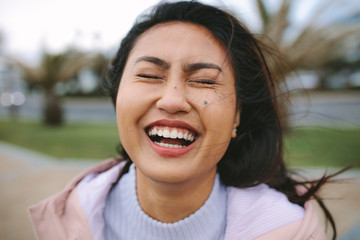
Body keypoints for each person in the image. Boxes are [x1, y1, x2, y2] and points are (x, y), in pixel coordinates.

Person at [29, 1, 340, 239]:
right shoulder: (69, 219)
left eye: (204, 80)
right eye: (149, 76)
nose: (173, 100)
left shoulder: (288, 231)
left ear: (237, 115)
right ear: (117, 98)